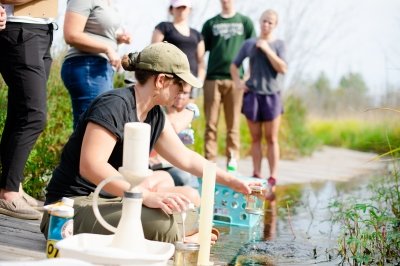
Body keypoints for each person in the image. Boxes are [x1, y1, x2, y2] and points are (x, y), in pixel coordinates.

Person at [40, 42, 254, 244]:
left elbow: (186, 158)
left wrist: (232, 181)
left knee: (187, 208)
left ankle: (179, 235)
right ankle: (178, 238)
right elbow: (91, 166)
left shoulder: (155, 115)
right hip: (70, 208)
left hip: (111, 200)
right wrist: (146, 196)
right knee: (166, 223)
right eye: (180, 84)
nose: (182, 92)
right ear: (161, 80)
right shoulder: (113, 105)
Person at [0, 0, 56, 220]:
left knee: (20, 113)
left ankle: (12, 186)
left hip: (43, 30)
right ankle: (9, 194)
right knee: (34, 115)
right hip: (20, 30)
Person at [230, 9, 287, 189]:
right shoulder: (249, 44)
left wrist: (266, 49)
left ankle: (273, 177)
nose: (266, 25)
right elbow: (234, 65)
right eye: (264, 21)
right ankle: (256, 173)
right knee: (256, 138)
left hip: (272, 95)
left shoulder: (279, 45)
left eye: (270, 22)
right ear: (259, 22)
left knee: (271, 138)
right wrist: (238, 82)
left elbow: (283, 68)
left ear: (275, 25)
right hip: (253, 95)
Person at [201, 0, 256, 165]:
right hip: (212, 79)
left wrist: (248, 76)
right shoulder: (211, 23)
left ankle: (232, 164)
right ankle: (209, 165)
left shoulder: (245, 22)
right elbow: (200, 52)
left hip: (235, 80)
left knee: (233, 126)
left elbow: (254, 50)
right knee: (211, 124)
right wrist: (201, 73)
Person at [61, 0, 132, 128]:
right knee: (94, 126)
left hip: (99, 68)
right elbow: (71, 34)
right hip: (87, 66)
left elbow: (95, 32)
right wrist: (107, 48)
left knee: (93, 126)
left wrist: (116, 39)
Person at [150, 81, 200, 188]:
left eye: (185, 93)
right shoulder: (160, 110)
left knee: (194, 177)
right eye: (178, 92)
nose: (181, 96)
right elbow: (174, 127)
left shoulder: (189, 110)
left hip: (179, 161)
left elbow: (176, 127)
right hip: (160, 163)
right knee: (183, 177)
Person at [151, 0, 205, 99]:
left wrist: (199, 82)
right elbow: (153, 52)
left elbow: (201, 62)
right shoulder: (164, 27)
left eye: (184, 7)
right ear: (172, 9)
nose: (181, 10)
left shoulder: (197, 35)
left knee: (187, 112)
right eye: (178, 7)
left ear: (189, 10)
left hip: (189, 85)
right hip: (169, 81)